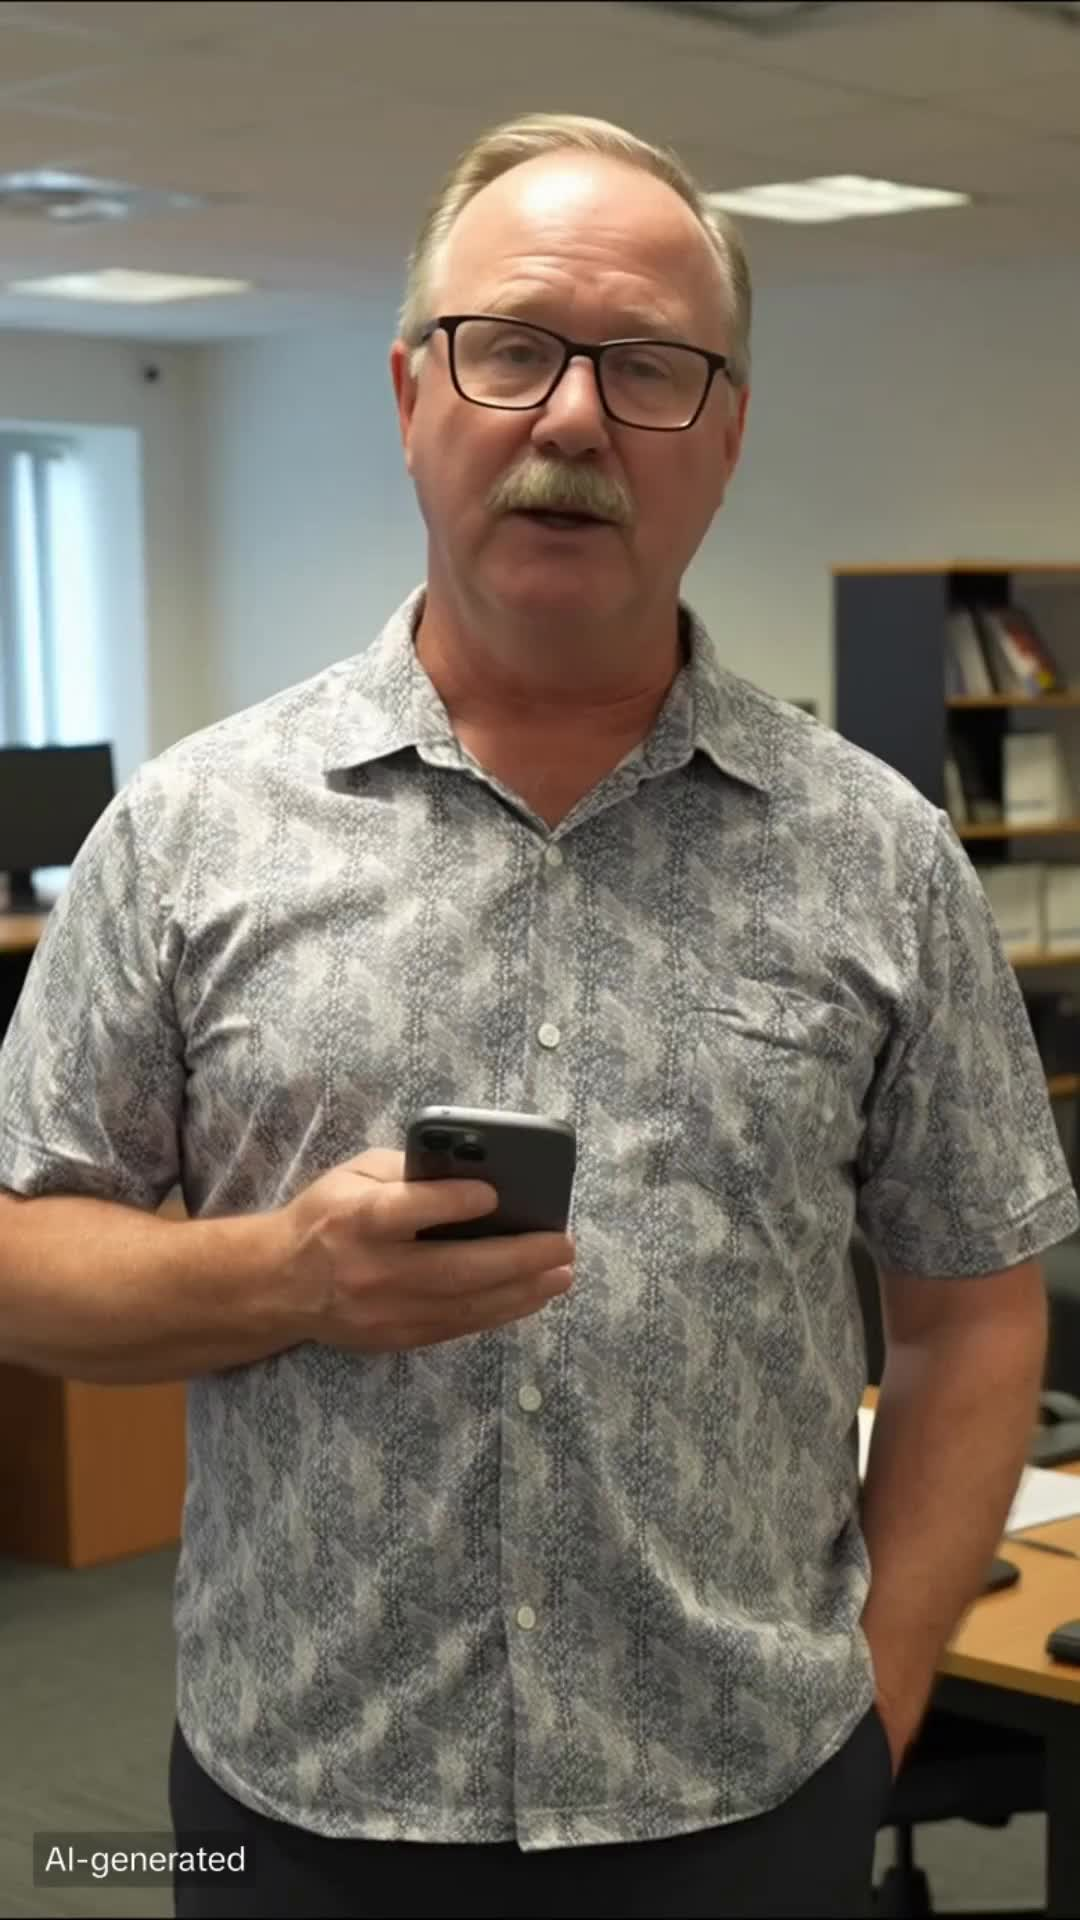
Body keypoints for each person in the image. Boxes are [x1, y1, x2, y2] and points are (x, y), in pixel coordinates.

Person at [0, 110, 1074, 1920]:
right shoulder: (190, 834)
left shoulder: (879, 857)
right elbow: (20, 1255)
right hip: (299, 1810)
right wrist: (283, 1278)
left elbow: (973, 1315)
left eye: (649, 367)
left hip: (749, 1803)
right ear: (412, 392)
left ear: (726, 435)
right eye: (510, 349)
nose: (573, 418)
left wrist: (876, 1715)